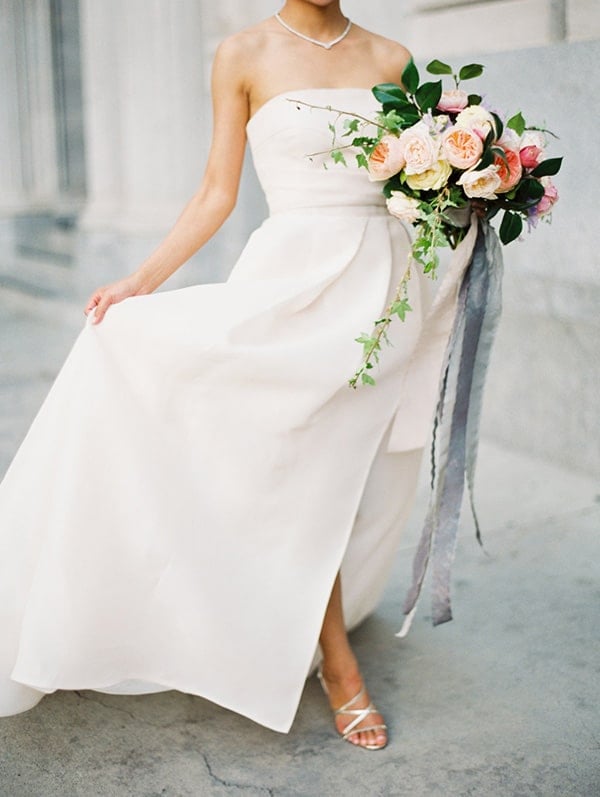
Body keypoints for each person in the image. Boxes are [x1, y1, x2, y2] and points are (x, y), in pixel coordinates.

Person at [0, 1, 434, 751]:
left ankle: (306, 624)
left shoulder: (393, 58)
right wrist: (139, 282)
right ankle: (337, 664)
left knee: (336, 465)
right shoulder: (242, 53)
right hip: (290, 282)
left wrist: (481, 187)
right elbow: (216, 192)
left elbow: (422, 190)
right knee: (297, 460)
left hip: (380, 289)